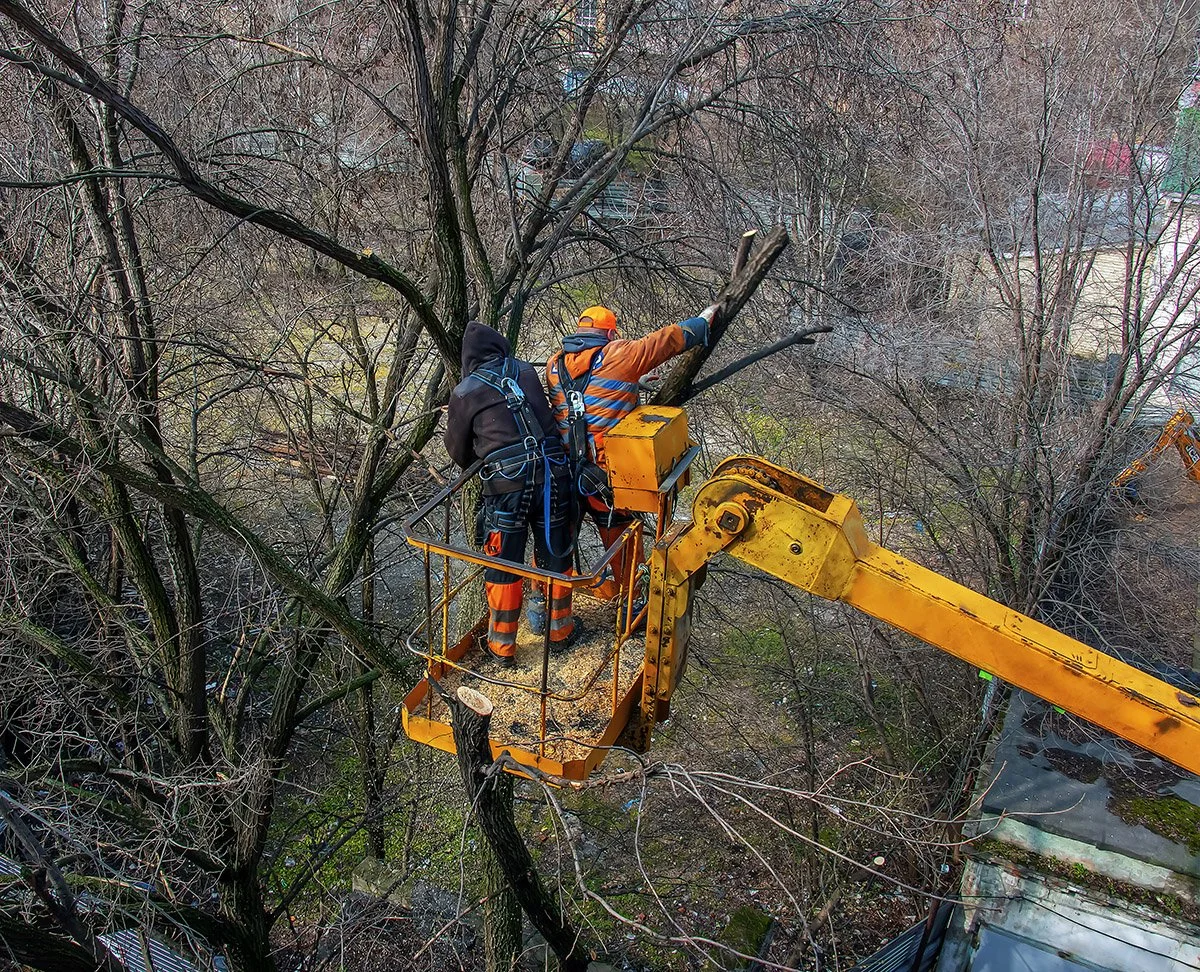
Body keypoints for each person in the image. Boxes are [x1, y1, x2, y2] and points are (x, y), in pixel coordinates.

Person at [545, 304, 714, 598]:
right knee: (621, 538)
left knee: (558, 542)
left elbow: (582, 400)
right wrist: (702, 323)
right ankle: (631, 603)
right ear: (610, 333)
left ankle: (547, 615)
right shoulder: (619, 354)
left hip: (563, 471)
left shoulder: (554, 365)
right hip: (604, 473)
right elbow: (663, 342)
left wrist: (632, 382)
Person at [445, 321, 579, 667]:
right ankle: (559, 631)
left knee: (503, 562)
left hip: (508, 485)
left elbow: (459, 454)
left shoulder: (464, 391)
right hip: (553, 474)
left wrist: (486, 445)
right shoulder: (524, 370)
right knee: (554, 552)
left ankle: (503, 648)